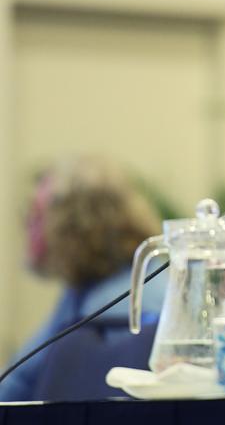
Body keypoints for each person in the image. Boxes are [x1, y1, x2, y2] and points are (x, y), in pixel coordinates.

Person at [0, 155, 168, 400]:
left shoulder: (133, 300)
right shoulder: (82, 290)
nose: (28, 227)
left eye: (36, 215)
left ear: (75, 225)